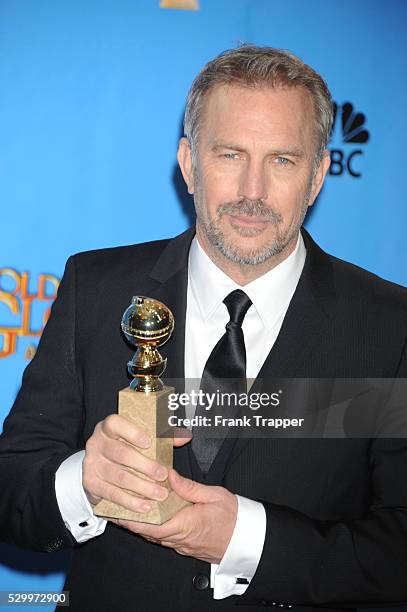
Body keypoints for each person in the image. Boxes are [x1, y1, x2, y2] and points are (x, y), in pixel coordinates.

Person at [1, 45, 407, 612]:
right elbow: (12, 490)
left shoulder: (391, 325)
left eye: (283, 160)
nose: (252, 192)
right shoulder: (95, 287)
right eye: (230, 155)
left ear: (317, 176)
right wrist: (85, 485)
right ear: (189, 165)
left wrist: (248, 541)